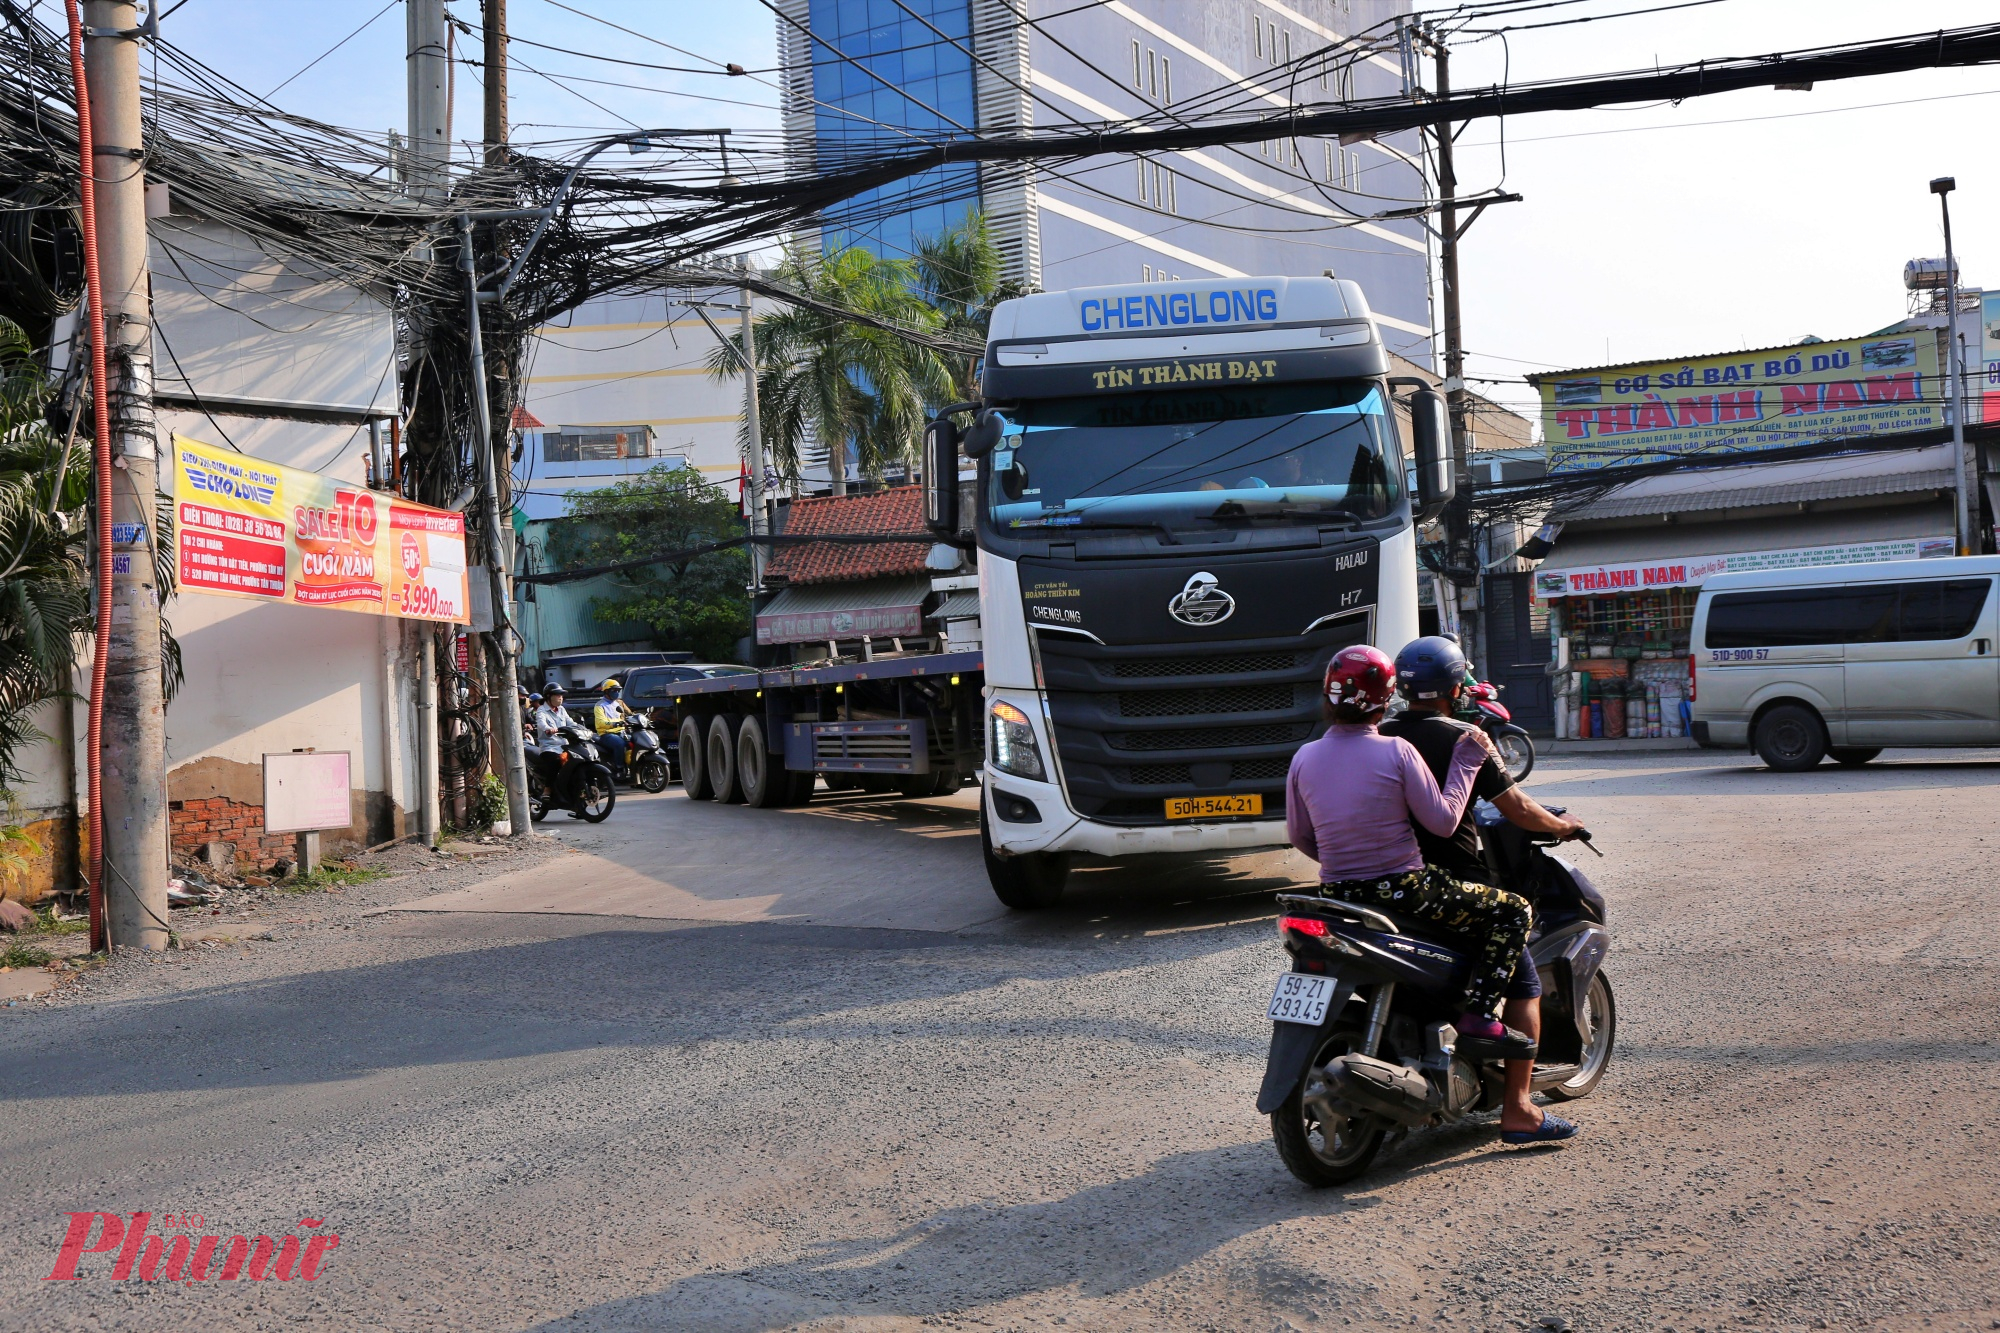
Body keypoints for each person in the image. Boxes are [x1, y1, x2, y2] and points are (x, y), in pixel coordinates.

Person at [1285, 644, 1542, 1068]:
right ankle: (1480, 1016)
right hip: (1405, 888)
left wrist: (1345, 863)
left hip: (1337, 892)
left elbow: (1299, 835)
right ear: (1387, 698)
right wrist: (1466, 762)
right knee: (1515, 911)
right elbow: (1443, 822)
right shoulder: (1396, 751)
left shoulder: (1304, 757)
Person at [1380, 635, 1586, 1145]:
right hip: (1446, 883)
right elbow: (1518, 809)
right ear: (1455, 688)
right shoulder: (1466, 737)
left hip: (1380, 880)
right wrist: (1564, 827)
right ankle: (1518, 1108)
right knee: (1523, 979)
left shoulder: (1380, 735)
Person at [593, 679, 631, 775]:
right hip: (606, 734)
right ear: (606, 691)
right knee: (619, 744)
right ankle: (619, 768)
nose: (617, 693)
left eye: (618, 690)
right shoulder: (599, 705)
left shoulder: (618, 703)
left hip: (622, 732)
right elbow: (600, 722)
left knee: (635, 740)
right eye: (614, 690)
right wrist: (615, 723)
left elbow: (629, 714)